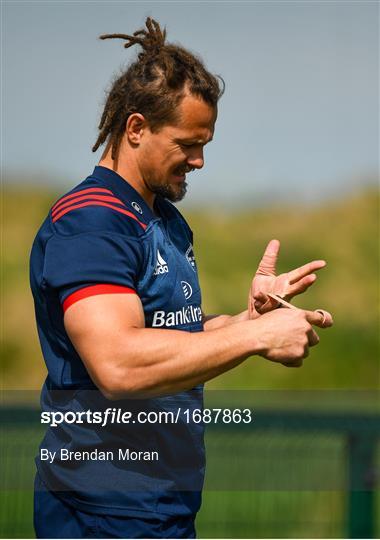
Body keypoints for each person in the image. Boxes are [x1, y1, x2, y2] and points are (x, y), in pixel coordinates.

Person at [30, 17, 332, 539]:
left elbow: (169, 338)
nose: (199, 160)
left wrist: (249, 319)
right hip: (102, 510)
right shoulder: (91, 221)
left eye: (206, 143)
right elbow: (119, 364)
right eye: (188, 143)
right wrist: (254, 337)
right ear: (136, 128)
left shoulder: (164, 219)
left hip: (162, 506)